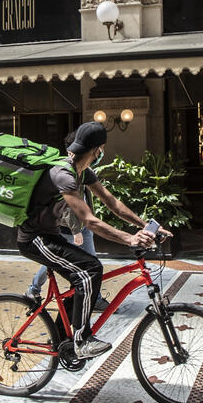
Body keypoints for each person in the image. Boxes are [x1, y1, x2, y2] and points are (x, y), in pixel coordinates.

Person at [17, 122, 169, 359]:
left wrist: (146, 226)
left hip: (51, 234)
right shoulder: (63, 174)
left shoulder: (83, 172)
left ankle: (62, 341)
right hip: (33, 238)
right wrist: (129, 238)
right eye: (101, 150)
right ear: (98, 150)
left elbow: (113, 203)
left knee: (81, 280)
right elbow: (89, 220)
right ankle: (81, 340)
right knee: (90, 268)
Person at [27, 130, 110, 312]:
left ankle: (93, 298)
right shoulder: (65, 172)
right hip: (69, 229)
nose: (99, 153)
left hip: (82, 227)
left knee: (93, 264)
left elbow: (103, 199)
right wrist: (75, 230)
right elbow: (67, 206)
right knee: (54, 264)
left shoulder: (83, 169)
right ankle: (34, 290)